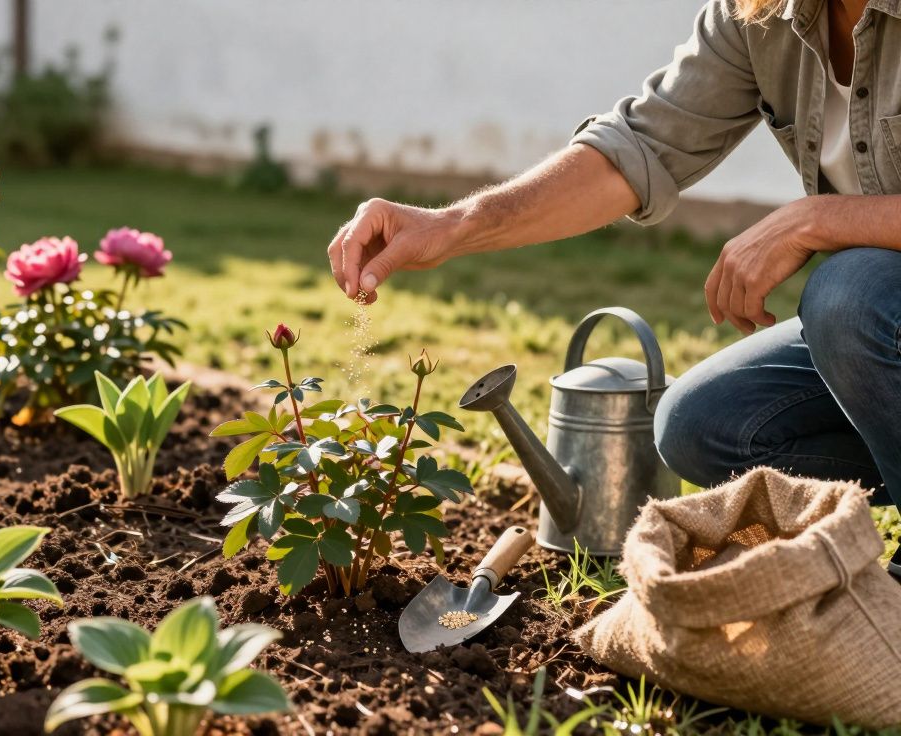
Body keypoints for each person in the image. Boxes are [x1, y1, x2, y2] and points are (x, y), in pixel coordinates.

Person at [326, 0, 901, 576]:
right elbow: (639, 148)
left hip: (864, 306)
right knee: (703, 427)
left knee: (846, 293)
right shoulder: (762, 13)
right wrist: (451, 226)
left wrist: (817, 219)